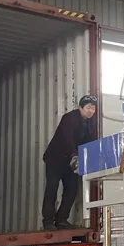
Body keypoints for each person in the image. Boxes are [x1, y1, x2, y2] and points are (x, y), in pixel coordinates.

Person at [42, 95, 98, 230]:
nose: (91, 111)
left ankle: (61, 219)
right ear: (80, 107)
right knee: (52, 188)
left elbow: (90, 141)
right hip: (55, 159)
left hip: (71, 162)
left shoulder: (90, 123)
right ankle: (48, 221)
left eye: (93, 108)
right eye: (88, 108)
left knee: (72, 189)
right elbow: (67, 137)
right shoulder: (69, 118)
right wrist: (74, 154)